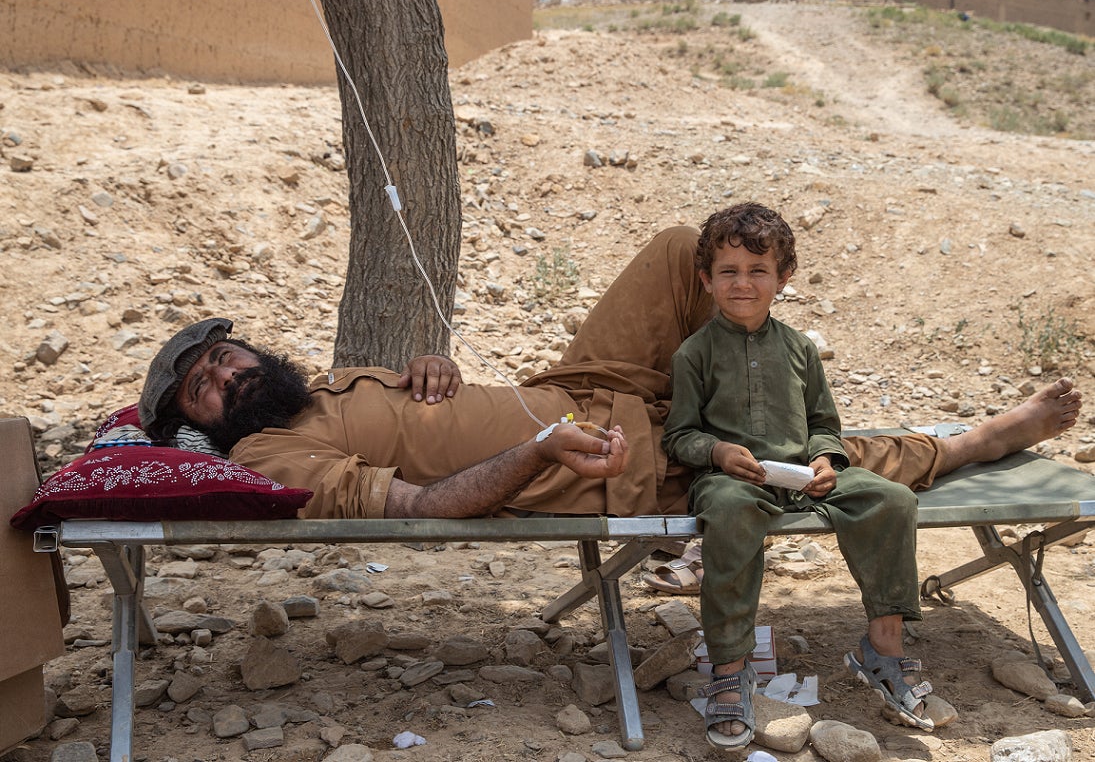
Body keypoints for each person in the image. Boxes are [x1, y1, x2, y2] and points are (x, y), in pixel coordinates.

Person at [137, 224, 1082, 524]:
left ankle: (747, 378)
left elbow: (427, 405)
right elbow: (425, 504)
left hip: (577, 382)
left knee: (680, 249)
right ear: (199, 425)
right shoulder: (270, 456)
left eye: (225, 355)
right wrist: (540, 448)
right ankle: (978, 441)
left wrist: (430, 365)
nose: (227, 374)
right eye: (204, 388)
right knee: (803, 461)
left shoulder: (321, 385)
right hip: (596, 453)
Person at [661, 203, 938, 749]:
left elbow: (823, 425)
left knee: (892, 500)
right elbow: (679, 435)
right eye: (728, 271)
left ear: (783, 278)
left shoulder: (799, 348)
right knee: (730, 511)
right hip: (735, 482)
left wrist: (826, 461)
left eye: (758, 271)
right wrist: (718, 452)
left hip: (804, 481)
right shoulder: (694, 353)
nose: (743, 283)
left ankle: (884, 651)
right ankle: (729, 670)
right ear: (707, 279)